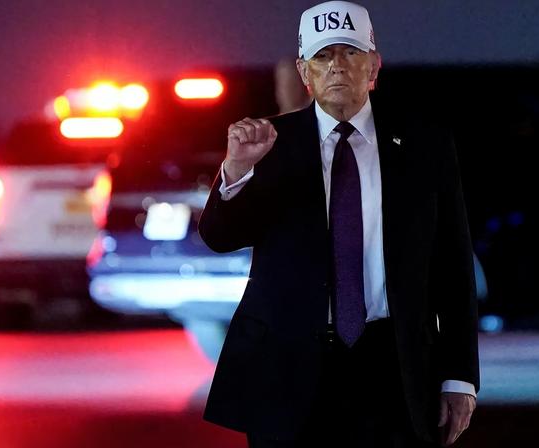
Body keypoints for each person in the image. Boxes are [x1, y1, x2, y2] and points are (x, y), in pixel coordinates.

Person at [198, 1, 479, 446]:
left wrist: (460, 378)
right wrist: (236, 171)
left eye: (350, 53)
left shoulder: (425, 145)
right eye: (323, 57)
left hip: (394, 367)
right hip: (289, 367)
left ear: (374, 65)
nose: (337, 68)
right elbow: (219, 236)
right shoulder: (268, 144)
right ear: (304, 73)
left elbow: (453, 268)